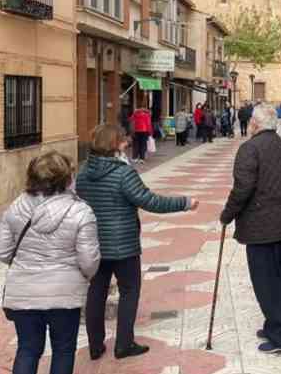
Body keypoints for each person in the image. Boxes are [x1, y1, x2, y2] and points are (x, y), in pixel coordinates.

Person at [76, 124, 199, 360]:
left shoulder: (83, 173)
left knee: (96, 291)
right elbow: (150, 201)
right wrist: (184, 203)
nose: (126, 144)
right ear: (114, 144)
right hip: (123, 245)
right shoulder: (123, 173)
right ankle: (124, 344)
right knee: (129, 291)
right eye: (123, 140)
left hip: (95, 243)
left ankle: (95, 345)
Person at [0, 151, 101, 374]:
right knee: (64, 348)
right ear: (67, 177)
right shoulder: (81, 212)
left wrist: (26, 264)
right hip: (65, 294)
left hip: (24, 292)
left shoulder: (16, 207)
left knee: (28, 348)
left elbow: (1, 251)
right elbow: (89, 260)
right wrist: (82, 276)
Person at [220, 103, 281, 353]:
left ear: (254, 124)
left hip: (262, 228)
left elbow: (242, 188)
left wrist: (227, 215)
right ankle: (276, 325)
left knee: (267, 283)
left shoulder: (250, 148)